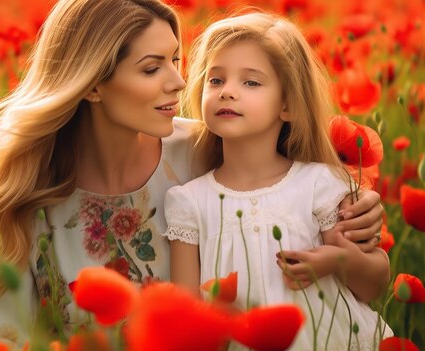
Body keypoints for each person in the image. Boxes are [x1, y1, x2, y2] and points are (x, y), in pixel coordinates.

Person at [0, 0, 386, 348]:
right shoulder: (27, 200)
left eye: (176, 60)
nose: (181, 82)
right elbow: (5, 339)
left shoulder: (206, 151)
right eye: (152, 68)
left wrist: (358, 208)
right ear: (91, 84)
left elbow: (292, 187)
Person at [163, 11, 392, 350]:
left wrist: (335, 260)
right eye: (216, 80)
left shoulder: (318, 184)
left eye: (251, 82)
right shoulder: (189, 202)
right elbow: (185, 312)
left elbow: (373, 286)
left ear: (287, 104)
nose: (227, 91)